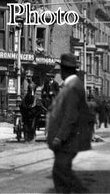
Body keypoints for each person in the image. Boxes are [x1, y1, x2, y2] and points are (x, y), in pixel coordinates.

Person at [47, 53, 92, 194]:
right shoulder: (72, 84)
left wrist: (59, 137)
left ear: (65, 70)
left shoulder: (72, 87)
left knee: (60, 174)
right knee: (63, 173)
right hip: (69, 140)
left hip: (69, 140)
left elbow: (70, 116)